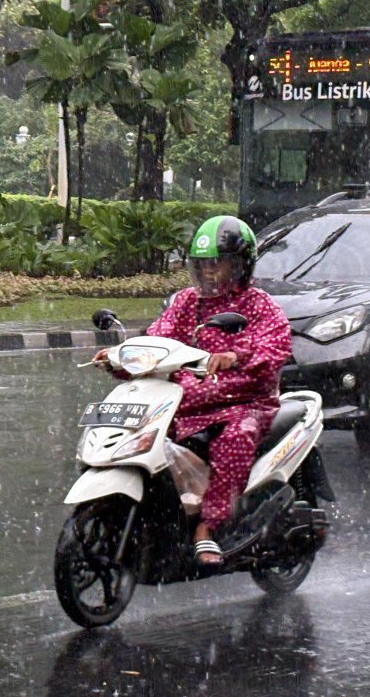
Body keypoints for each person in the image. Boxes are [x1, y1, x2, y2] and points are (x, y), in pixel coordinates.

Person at [97, 216, 292, 567]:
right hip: (187, 403)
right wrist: (119, 359)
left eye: (216, 264)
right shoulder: (187, 302)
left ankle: (208, 526)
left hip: (243, 403)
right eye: (201, 265)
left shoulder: (258, 305)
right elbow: (157, 340)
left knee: (235, 438)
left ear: (240, 265)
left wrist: (236, 356)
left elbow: (274, 347)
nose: (207, 273)